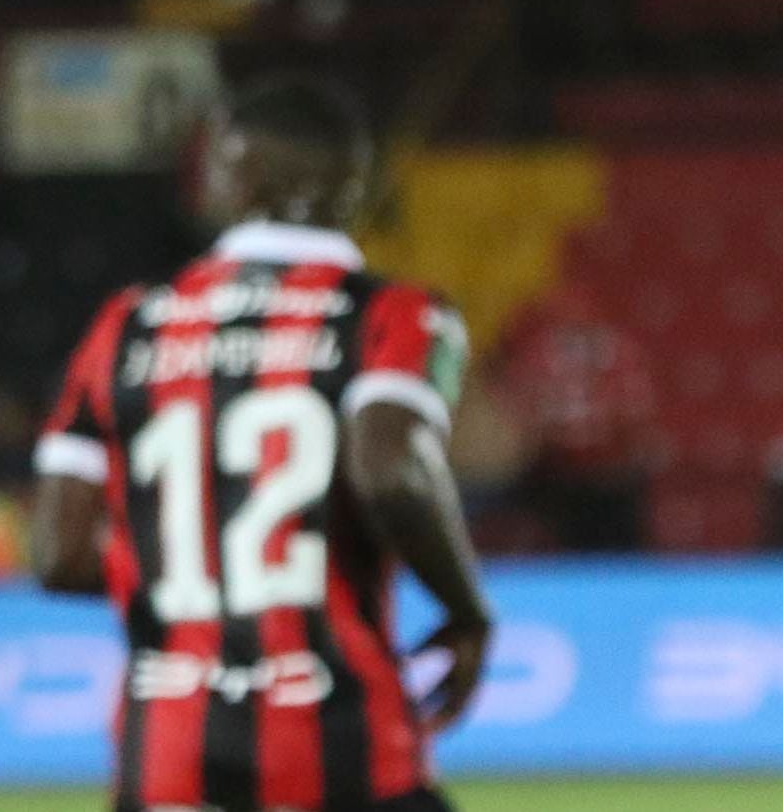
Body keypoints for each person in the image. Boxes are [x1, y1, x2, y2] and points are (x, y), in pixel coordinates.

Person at [30, 78, 493, 812]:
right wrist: (468, 610)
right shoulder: (395, 315)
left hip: (167, 760)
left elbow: (56, 557)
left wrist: (193, 581)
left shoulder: (125, 328)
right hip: (347, 749)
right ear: (355, 186)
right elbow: (392, 473)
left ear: (228, 181)